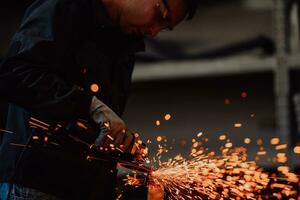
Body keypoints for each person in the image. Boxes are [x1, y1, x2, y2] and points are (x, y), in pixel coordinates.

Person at [0, 0, 197, 199]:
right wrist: (90, 106)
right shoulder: (64, 7)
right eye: (160, 15)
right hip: (35, 185)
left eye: (164, 27)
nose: (154, 31)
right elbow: (16, 75)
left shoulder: (125, 42)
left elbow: (99, 125)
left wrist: (121, 153)